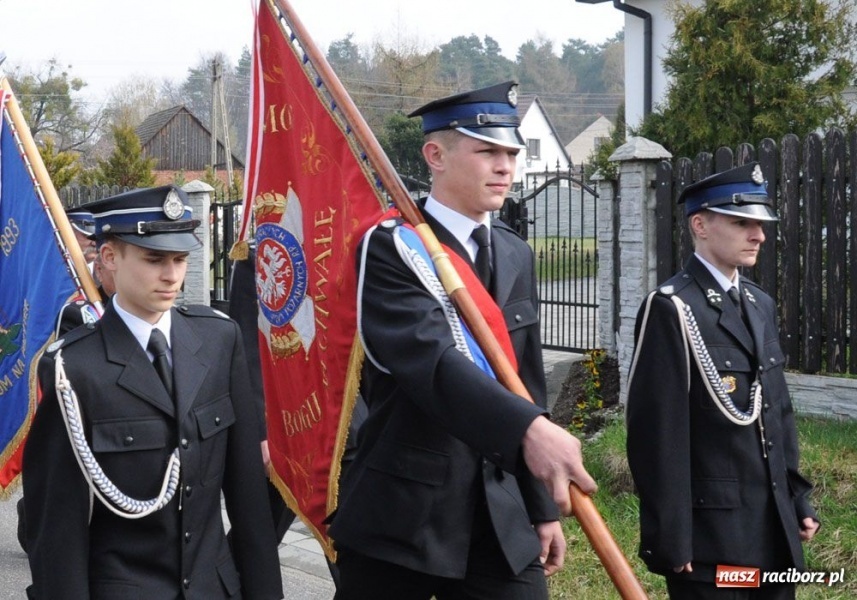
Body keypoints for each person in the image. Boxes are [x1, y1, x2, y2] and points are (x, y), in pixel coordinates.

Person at [328, 81, 596, 600]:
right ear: (436, 155)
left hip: (501, 516)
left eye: (511, 153)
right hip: (406, 515)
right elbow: (430, 364)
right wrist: (530, 432)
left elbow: (526, 383)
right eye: (487, 151)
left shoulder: (515, 254)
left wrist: (540, 508)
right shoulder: (392, 247)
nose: (505, 167)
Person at [23, 185, 284, 599]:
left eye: (180, 259)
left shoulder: (218, 340)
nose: (172, 275)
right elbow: (56, 529)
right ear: (109, 257)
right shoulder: (74, 368)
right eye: (154, 259)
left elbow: (249, 501)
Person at [625, 163, 820, 599]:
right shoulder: (672, 307)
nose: (758, 235)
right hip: (711, 537)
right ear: (701, 225)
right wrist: (670, 533)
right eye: (742, 223)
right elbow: (657, 434)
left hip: (771, 529)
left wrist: (795, 498)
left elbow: (778, 413)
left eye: (761, 224)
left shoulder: (759, 303)